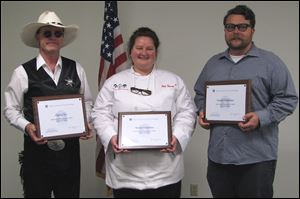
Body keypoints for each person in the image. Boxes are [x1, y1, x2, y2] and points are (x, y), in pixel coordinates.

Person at [194, 5, 298, 198]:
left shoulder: (270, 62)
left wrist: (260, 118)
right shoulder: (213, 64)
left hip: (256, 159)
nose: (236, 32)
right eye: (230, 27)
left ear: (252, 30)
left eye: (242, 27)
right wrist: (202, 112)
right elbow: (200, 95)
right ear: (225, 30)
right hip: (219, 158)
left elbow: (288, 98)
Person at [92, 27, 196, 198]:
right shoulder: (114, 82)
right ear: (130, 51)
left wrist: (177, 136)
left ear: (156, 52)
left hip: (165, 171)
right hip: (125, 172)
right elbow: (99, 113)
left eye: (149, 48)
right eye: (139, 48)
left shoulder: (173, 81)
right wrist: (111, 136)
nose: (144, 53)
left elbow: (187, 112)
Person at [3, 11, 93, 198]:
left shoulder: (76, 68)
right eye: (47, 33)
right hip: (36, 155)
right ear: (38, 37)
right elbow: (10, 109)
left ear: (62, 38)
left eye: (57, 33)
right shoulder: (22, 72)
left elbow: (87, 102)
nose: (52, 37)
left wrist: (86, 122)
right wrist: (27, 126)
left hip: (69, 156)